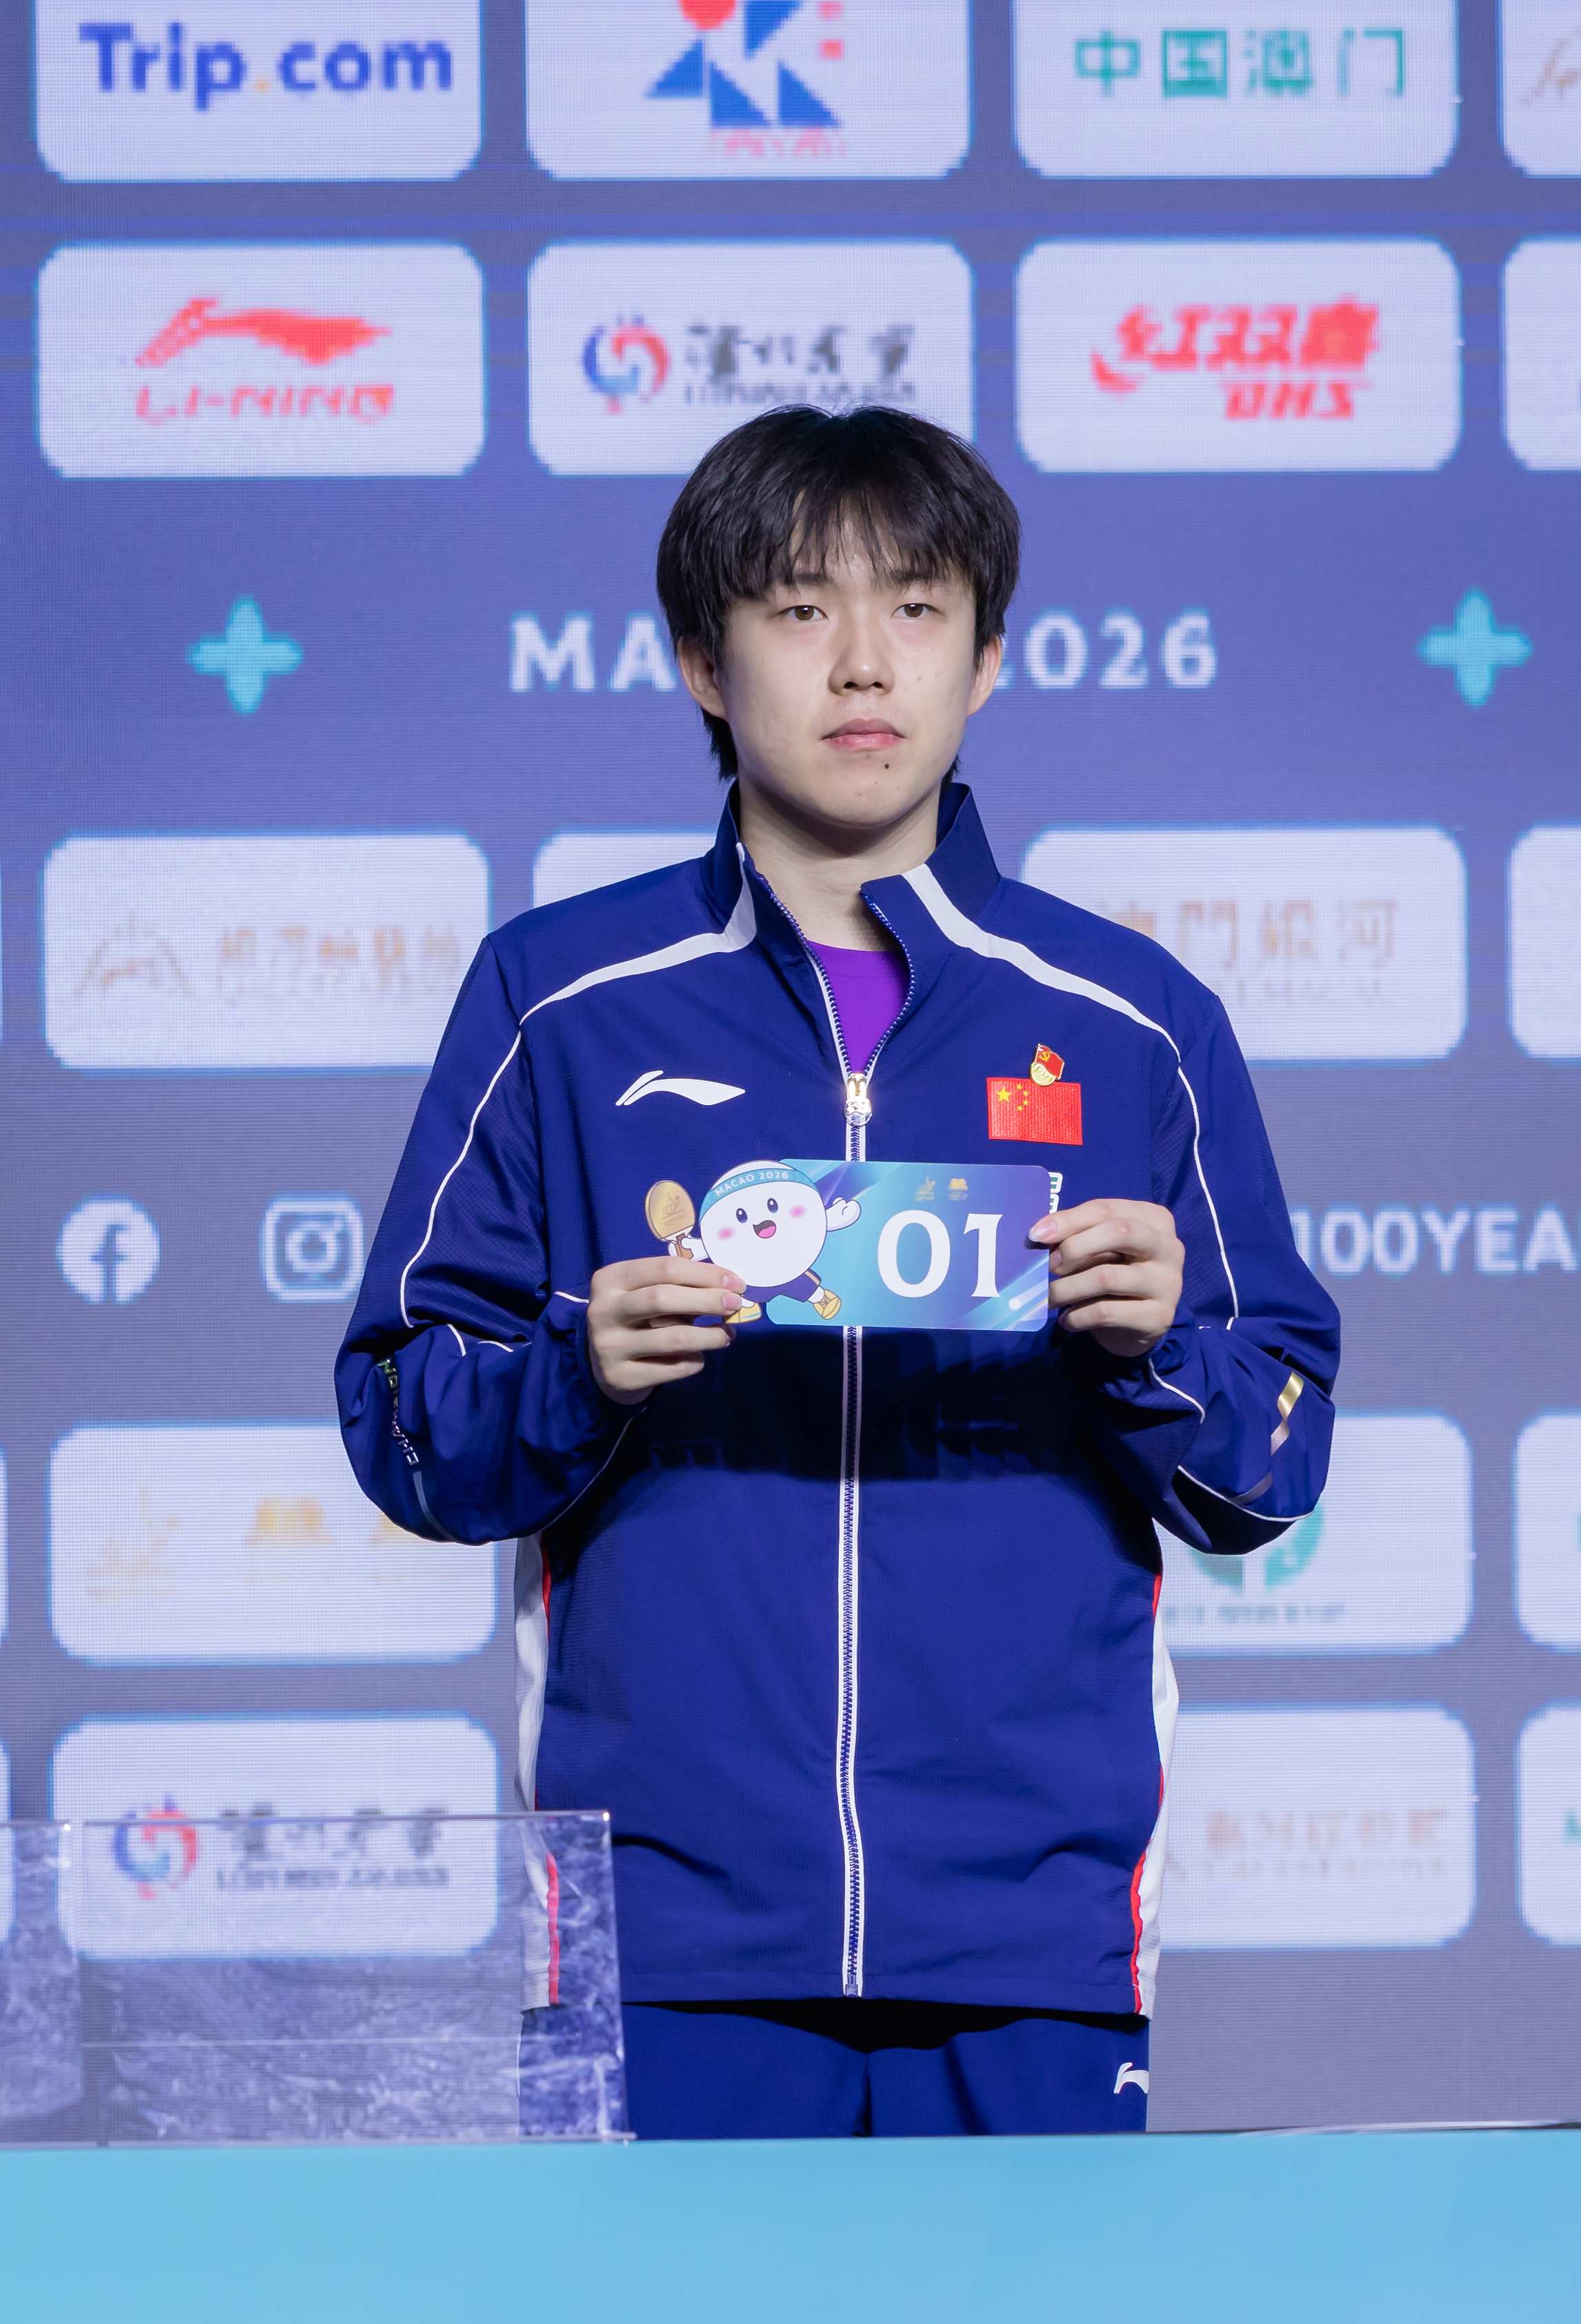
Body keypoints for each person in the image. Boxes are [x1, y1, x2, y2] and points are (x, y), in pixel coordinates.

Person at [335, 406, 1339, 2139]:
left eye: (918, 609)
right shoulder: (558, 999)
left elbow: (1271, 1467)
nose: (863, 662)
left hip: (1030, 1922)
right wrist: (577, 1369)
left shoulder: (1135, 1021)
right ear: (701, 663)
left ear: (989, 658)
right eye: (799, 609)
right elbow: (401, 1422)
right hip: (665, 1924)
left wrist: (1157, 1350)